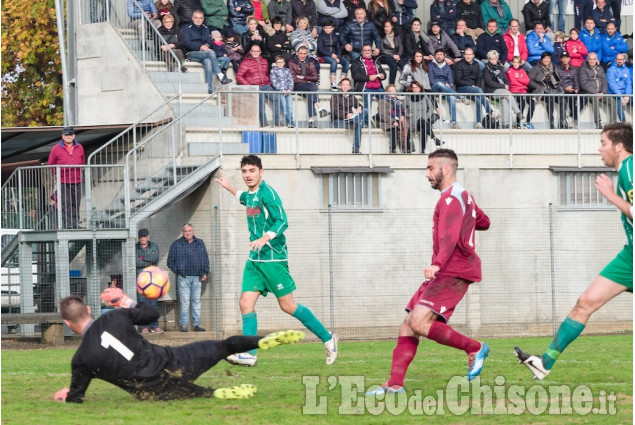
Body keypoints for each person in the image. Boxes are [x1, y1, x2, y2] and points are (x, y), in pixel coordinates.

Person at [366, 148, 491, 396]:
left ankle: (474, 347)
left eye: (430, 168)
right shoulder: (463, 196)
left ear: (446, 169)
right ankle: (394, 385)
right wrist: (469, 217)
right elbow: (484, 222)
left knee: (418, 322)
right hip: (450, 269)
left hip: (451, 270)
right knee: (408, 325)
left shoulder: (450, 199)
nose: (427, 174)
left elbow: (450, 236)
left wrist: (438, 264)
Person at [515, 122, 633, 380]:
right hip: (629, 257)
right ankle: (544, 363)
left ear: (619, 146)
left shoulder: (630, 168)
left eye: (603, 143)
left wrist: (611, 196)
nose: (599, 148)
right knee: (585, 303)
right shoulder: (625, 169)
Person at [53, 290, 305, 402]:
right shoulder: (114, 316)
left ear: (67, 323)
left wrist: (66, 396)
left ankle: (213, 393)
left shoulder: (82, 359)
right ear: (87, 310)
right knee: (223, 346)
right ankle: (260, 341)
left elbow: (77, 397)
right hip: (175, 361)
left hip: (152, 391)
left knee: (191, 393)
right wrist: (126, 301)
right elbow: (151, 314)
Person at [214, 155, 339, 367]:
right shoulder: (252, 195)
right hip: (255, 260)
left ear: (261, 172)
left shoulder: (268, 193)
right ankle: (249, 353)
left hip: (273, 259)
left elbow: (283, 221)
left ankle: (328, 338)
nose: (247, 175)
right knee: (245, 303)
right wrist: (228, 187)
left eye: (252, 171)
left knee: (288, 306)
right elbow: (244, 197)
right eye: (244, 171)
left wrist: (265, 238)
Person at [167, 224, 210, 332]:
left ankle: (196, 325)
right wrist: (178, 272)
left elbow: (205, 258)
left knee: (196, 301)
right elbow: (170, 261)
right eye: (186, 231)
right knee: (185, 302)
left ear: (193, 231)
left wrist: (205, 272)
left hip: (197, 278)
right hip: (183, 278)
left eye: (190, 230)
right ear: (183, 232)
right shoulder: (177, 244)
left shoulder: (200, 243)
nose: (188, 233)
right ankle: (184, 325)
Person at [181, 10, 232, 94]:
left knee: (208, 61)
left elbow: (210, 42)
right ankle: (221, 75)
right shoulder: (186, 28)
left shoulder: (205, 28)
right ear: (192, 18)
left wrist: (207, 46)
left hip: (205, 53)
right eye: (196, 18)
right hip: (191, 53)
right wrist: (200, 47)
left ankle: (209, 88)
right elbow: (186, 43)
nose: (198, 20)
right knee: (210, 53)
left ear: (203, 19)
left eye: (200, 18)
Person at [236, 45, 284, 127]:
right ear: (250, 52)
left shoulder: (264, 61)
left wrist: (269, 83)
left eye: (257, 51)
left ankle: (277, 121)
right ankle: (263, 122)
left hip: (266, 85)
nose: (255, 53)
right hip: (255, 86)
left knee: (278, 98)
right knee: (261, 99)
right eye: (253, 51)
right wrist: (249, 85)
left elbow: (266, 74)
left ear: (260, 52)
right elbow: (238, 76)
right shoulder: (245, 62)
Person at [48, 126, 85, 229]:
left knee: (76, 203)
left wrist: (78, 172)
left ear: (74, 136)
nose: (68, 137)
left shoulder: (80, 147)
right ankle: (68, 225)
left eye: (70, 135)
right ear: (62, 136)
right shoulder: (56, 148)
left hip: (77, 180)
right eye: (66, 135)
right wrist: (58, 174)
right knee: (66, 203)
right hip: (63, 181)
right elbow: (51, 163)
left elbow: (82, 162)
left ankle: (74, 223)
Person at [287, 45, 329, 128]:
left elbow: (316, 77)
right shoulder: (291, 62)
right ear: (297, 53)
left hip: (308, 86)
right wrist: (307, 80)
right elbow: (293, 79)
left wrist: (302, 77)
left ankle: (311, 120)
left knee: (311, 91)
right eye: (301, 53)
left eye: (304, 54)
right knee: (312, 86)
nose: (303, 55)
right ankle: (320, 107)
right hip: (296, 86)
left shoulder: (310, 62)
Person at [454, 47, 494, 128]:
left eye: (470, 54)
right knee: (478, 90)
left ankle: (478, 123)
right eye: (466, 54)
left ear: (473, 55)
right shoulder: (459, 64)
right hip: (462, 88)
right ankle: (490, 111)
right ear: (464, 55)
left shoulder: (476, 64)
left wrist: (476, 86)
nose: (468, 56)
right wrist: (471, 85)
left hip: (473, 88)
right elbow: (458, 80)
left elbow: (478, 77)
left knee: (478, 100)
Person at [483, 50, 522, 129]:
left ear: (497, 59)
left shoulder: (500, 68)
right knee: (507, 94)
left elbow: (506, 79)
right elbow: (489, 82)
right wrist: (503, 86)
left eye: (495, 59)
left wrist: (506, 85)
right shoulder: (486, 69)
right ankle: (518, 112)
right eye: (491, 59)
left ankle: (506, 124)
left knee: (505, 100)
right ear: (489, 59)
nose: (493, 61)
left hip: (502, 90)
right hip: (492, 91)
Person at [330, 78, 368, 154]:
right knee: (359, 125)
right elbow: (334, 111)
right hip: (339, 120)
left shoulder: (351, 96)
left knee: (365, 110)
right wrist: (345, 115)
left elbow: (359, 105)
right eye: (343, 85)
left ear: (349, 87)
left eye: (346, 85)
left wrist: (360, 107)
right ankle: (356, 149)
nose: (345, 86)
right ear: (340, 86)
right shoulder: (335, 96)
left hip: (351, 120)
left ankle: (354, 122)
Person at [135, 228, 162, 334]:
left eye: (145, 236)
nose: (143, 239)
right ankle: (144, 327)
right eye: (141, 237)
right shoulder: (135, 248)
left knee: (153, 303)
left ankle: (155, 326)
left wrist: (142, 259)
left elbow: (155, 258)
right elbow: (136, 262)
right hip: (141, 280)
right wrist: (148, 262)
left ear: (148, 237)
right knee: (142, 303)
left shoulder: (154, 245)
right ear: (139, 238)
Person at [528, 51, 565, 129]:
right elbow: (529, 80)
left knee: (562, 99)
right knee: (550, 99)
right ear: (542, 59)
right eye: (545, 58)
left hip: (553, 89)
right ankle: (551, 123)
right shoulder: (536, 68)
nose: (546, 60)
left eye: (548, 58)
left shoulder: (553, 67)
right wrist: (538, 86)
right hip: (542, 89)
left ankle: (562, 122)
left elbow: (558, 79)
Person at [405, 81, 442, 153]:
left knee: (424, 126)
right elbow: (402, 109)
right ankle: (434, 139)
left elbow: (431, 108)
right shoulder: (407, 97)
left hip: (422, 119)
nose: (415, 89)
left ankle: (422, 150)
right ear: (411, 89)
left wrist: (426, 116)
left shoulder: (425, 96)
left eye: (417, 87)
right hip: (412, 120)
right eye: (414, 87)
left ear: (420, 88)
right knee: (425, 125)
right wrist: (407, 114)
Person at [428, 48, 459, 129]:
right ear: (434, 56)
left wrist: (449, 86)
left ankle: (454, 122)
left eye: (441, 55)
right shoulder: (431, 65)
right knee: (439, 83)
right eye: (437, 55)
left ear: (444, 56)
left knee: (452, 98)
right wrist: (444, 86)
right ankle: (459, 96)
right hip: (435, 88)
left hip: (445, 90)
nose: (439, 56)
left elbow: (451, 80)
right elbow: (431, 81)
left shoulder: (447, 66)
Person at [578, 52, 609, 129]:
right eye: (590, 59)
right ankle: (598, 123)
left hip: (601, 93)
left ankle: (614, 124)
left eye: (594, 59)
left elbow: (604, 81)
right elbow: (584, 84)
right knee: (595, 99)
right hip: (590, 93)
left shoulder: (600, 68)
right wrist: (596, 93)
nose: (592, 61)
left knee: (612, 101)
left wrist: (603, 92)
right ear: (587, 60)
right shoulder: (583, 69)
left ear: (596, 60)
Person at [378, 84, 411, 153]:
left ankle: (407, 147)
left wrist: (403, 116)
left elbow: (402, 112)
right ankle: (393, 148)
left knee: (406, 126)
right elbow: (382, 115)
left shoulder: (398, 101)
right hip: (387, 121)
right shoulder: (383, 101)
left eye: (394, 90)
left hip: (398, 120)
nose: (393, 92)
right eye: (390, 91)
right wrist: (393, 121)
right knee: (394, 128)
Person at [318, 20, 350, 90]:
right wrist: (331, 55)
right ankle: (333, 83)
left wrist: (337, 56)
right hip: (325, 56)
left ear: (333, 28)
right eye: (326, 28)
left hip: (335, 55)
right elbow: (320, 49)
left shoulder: (335, 37)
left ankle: (341, 82)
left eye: (329, 28)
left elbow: (338, 48)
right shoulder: (321, 37)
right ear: (323, 28)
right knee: (333, 62)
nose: (327, 30)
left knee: (346, 62)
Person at [506, 55, 535, 129]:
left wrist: (518, 79)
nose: (516, 64)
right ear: (512, 62)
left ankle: (528, 122)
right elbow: (512, 82)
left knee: (532, 102)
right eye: (514, 62)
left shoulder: (522, 71)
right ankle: (518, 123)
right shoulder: (510, 70)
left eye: (517, 62)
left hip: (523, 91)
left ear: (520, 63)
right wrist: (522, 83)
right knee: (522, 102)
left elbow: (527, 81)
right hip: (514, 91)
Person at [270, 55, 296, 127]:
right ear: (276, 63)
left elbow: (291, 80)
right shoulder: (273, 71)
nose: (280, 64)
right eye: (278, 62)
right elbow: (274, 82)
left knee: (290, 107)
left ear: (284, 62)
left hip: (288, 91)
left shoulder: (287, 70)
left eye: (281, 62)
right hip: (281, 92)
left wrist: (289, 89)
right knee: (284, 107)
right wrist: (282, 90)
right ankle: (290, 122)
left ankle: (290, 122)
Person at [556, 51, 580, 128]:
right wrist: (565, 88)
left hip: (572, 90)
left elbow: (576, 79)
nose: (565, 59)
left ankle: (572, 117)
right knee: (563, 99)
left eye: (566, 57)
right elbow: (557, 81)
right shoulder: (557, 68)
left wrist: (576, 88)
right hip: (562, 90)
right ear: (561, 59)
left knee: (579, 99)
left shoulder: (573, 69)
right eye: (563, 58)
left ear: (569, 58)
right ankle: (562, 121)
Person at [379, 20, 408, 85]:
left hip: (397, 54)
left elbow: (400, 45)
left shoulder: (396, 35)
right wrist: (393, 56)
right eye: (385, 26)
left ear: (392, 27)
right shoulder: (381, 36)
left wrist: (398, 55)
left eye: (388, 26)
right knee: (394, 66)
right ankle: (391, 85)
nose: (386, 28)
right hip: (386, 56)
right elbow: (383, 50)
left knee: (405, 66)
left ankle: (407, 85)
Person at [606, 54, 632, 123]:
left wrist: (627, 95)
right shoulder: (611, 70)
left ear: (624, 60)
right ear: (615, 60)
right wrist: (621, 97)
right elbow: (612, 85)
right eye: (618, 59)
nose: (619, 61)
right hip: (613, 93)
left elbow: (628, 83)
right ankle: (623, 122)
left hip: (624, 93)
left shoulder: (626, 70)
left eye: (621, 59)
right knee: (618, 101)